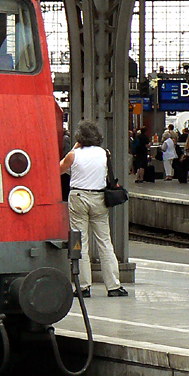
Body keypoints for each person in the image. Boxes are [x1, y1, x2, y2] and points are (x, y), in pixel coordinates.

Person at [59, 120, 128, 297]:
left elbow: (58, 170)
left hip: (79, 198)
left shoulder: (73, 155)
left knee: (80, 242)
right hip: (99, 199)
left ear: (79, 137)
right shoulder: (105, 153)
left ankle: (83, 287)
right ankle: (113, 286)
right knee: (104, 242)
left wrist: (74, 148)